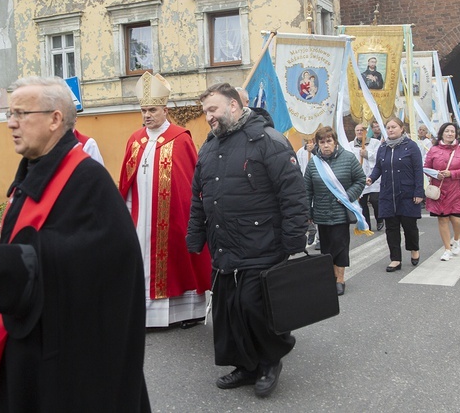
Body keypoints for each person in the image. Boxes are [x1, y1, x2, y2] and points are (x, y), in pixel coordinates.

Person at [0, 77, 150, 412]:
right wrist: (3, 255)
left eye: (21, 113)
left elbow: (111, 260)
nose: (11, 123)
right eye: (9, 113)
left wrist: (17, 260)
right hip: (31, 336)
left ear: (55, 119)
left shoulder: (87, 179)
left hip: (66, 353)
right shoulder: (35, 169)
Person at [187, 83, 308, 398]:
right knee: (229, 311)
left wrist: (295, 241)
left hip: (263, 243)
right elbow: (199, 197)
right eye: (205, 112)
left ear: (233, 106)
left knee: (253, 305)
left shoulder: (269, 141)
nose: (208, 117)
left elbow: (293, 195)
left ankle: (270, 360)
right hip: (224, 244)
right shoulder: (209, 147)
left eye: (212, 110)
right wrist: (194, 235)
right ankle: (246, 365)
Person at [119, 72, 211, 328]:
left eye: (152, 109)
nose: (147, 115)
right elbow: (126, 182)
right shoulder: (135, 141)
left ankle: (188, 312)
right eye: (143, 110)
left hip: (173, 217)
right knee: (142, 262)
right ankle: (145, 316)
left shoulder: (181, 139)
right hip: (140, 218)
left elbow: (191, 181)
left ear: (165, 109)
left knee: (180, 260)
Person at [305, 126, 366, 296]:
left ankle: (340, 279)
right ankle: (330, 276)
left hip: (341, 211)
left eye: (329, 141)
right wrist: (307, 213)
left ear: (335, 142)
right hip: (322, 212)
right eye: (322, 142)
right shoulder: (313, 164)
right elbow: (307, 190)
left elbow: (360, 179)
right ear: (318, 144)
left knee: (340, 246)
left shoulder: (348, 158)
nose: (325, 145)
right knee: (326, 248)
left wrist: (348, 195)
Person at [367, 117, 425, 271]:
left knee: (409, 226)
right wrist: (371, 178)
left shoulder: (411, 146)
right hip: (388, 193)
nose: (390, 130)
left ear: (401, 129)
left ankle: (414, 249)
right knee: (391, 227)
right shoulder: (383, 147)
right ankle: (395, 259)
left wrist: (419, 192)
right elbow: (378, 167)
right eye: (388, 127)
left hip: (407, 193)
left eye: (393, 127)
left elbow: (418, 170)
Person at [424, 123, 460, 261]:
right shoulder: (433, 150)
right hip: (439, 190)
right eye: (447, 131)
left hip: (456, 190)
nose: (450, 134)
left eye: (452, 131)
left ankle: (456, 239)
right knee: (442, 219)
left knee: (457, 219)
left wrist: (452, 173)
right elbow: (426, 167)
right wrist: (435, 174)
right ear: (442, 133)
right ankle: (447, 248)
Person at [351, 124, 383, 231]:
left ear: (366, 131)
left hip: (373, 177)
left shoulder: (375, 143)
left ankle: (379, 219)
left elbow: (380, 157)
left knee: (375, 200)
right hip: (359, 178)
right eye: (357, 130)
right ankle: (367, 224)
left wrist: (367, 154)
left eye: (362, 130)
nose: (360, 132)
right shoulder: (351, 145)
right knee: (362, 202)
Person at [296, 135, 319, 246]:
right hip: (304, 185)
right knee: (305, 210)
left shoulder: (320, 150)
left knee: (317, 211)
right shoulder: (300, 152)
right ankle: (311, 229)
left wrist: (314, 151)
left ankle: (320, 238)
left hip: (318, 184)